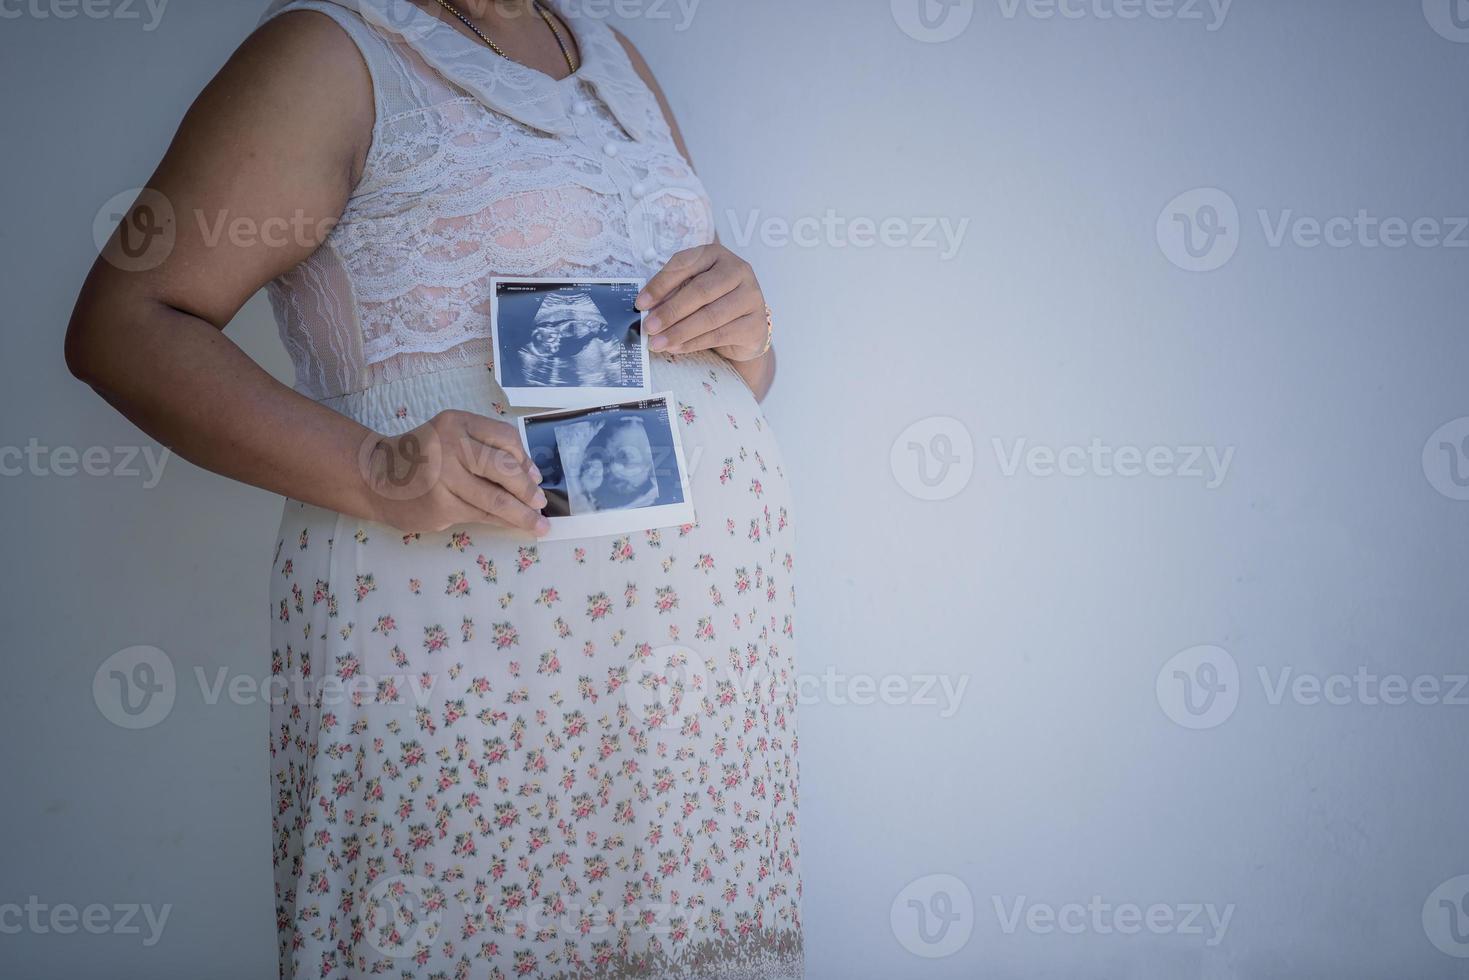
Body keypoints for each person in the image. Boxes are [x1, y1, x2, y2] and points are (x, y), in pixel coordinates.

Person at [63, 1, 800, 977]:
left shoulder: (614, 60)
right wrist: (372, 470)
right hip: (478, 668)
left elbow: (692, 380)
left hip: (700, 701)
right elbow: (122, 325)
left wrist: (747, 341)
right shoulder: (329, 53)